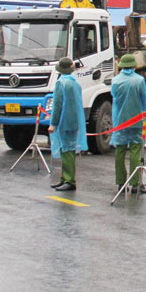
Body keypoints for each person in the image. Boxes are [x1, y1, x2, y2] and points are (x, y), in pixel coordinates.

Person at [111, 53, 146, 193]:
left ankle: (121, 182)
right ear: (134, 66)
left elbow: (114, 97)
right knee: (135, 150)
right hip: (136, 119)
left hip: (120, 120)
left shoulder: (115, 81)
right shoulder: (139, 80)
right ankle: (135, 183)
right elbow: (143, 100)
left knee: (120, 151)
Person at [49, 57, 88, 191]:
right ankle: (64, 178)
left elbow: (57, 105)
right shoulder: (75, 83)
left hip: (64, 121)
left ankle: (69, 180)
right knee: (68, 149)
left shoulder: (61, 83)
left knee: (66, 151)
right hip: (75, 120)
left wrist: (53, 123)